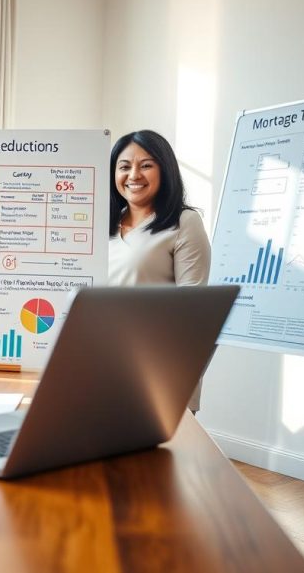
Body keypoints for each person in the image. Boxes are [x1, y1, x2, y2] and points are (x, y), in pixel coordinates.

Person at [107, 130, 211, 410]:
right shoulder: (101, 226)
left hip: (157, 369)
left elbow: (193, 309)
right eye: (125, 166)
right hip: (102, 363)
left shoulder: (184, 222)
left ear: (165, 170)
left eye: (146, 165)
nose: (134, 175)